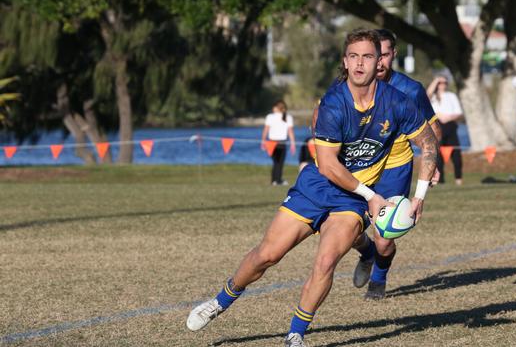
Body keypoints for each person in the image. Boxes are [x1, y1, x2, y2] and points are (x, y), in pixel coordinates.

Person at [186, 28, 439, 347]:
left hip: (351, 202)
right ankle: (220, 301)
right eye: (354, 57)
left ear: (380, 63)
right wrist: (372, 196)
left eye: (368, 57)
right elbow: (329, 165)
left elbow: (428, 143)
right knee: (267, 254)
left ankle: (295, 334)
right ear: (345, 63)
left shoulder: (399, 102)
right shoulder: (334, 103)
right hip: (318, 188)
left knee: (325, 262)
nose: (360, 64)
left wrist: (418, 198)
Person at [346, 29, 442, 300]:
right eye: (374, 56)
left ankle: (379, 277)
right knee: (348, 230)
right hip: (359, 164)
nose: (378, 63)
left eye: (384, 55)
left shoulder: (410, 90)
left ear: (392, 55)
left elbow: (433, 130)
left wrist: (432, 162)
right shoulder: (350, 84)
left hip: (395, 167)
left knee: (384, 236)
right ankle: (366, 253)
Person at [427, 75, 464, 185]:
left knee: (456, 153)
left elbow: (458, 112)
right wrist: (436, 80)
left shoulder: (451, 96)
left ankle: (458, 179)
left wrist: (448, 117)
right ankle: (440, 180)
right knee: (438, 154)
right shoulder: (432, 97)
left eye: (444, 83)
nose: (442, 85)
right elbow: (427, 95)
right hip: (437, 126)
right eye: (440, 83)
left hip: (450, 126)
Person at [261, 100, 296, 185]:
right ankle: (277, 180)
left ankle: (275, 180)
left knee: (276, 162)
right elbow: (290, 132)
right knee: (279, 162)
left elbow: (265, 130)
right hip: (281, 143)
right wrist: (293, 144)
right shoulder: (288, 117)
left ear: (277, 107)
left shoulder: (270, 117)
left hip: (272, 142)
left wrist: (263, 141)